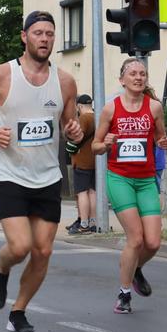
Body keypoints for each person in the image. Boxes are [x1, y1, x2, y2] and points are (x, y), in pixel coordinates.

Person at [0, 10, 83, 332]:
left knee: (43, 251)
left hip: (47, 176)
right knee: (19, 247)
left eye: (49, 33)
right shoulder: (2, 75)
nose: (45, 39)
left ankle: (18, 311)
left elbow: (69, 125)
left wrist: (74, 130)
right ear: (25, 37)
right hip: (10, 176)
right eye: (38, 33)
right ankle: (0, 269)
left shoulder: (65, 82)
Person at [91, 57, 167, 314]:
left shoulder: (155, 107)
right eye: (133, 73)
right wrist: (106, 144)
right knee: (135, 239)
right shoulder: (110, 109)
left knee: (154, 242)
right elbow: (95, 145)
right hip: (120, 178)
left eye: (143, 73)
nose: (139, 77)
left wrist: (163, 144)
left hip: (146, 180)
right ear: (122, 79)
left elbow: (160, 137)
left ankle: (134, 269)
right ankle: (124, 294)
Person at [68, 94, 97, 235]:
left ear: (79, 106)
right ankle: (92, 222)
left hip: (83, 161)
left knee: (82, 193)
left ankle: (83, 223)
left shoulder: (84, 118)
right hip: (96, 160)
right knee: (92, 192)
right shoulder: (98, 117)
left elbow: (77, 137)